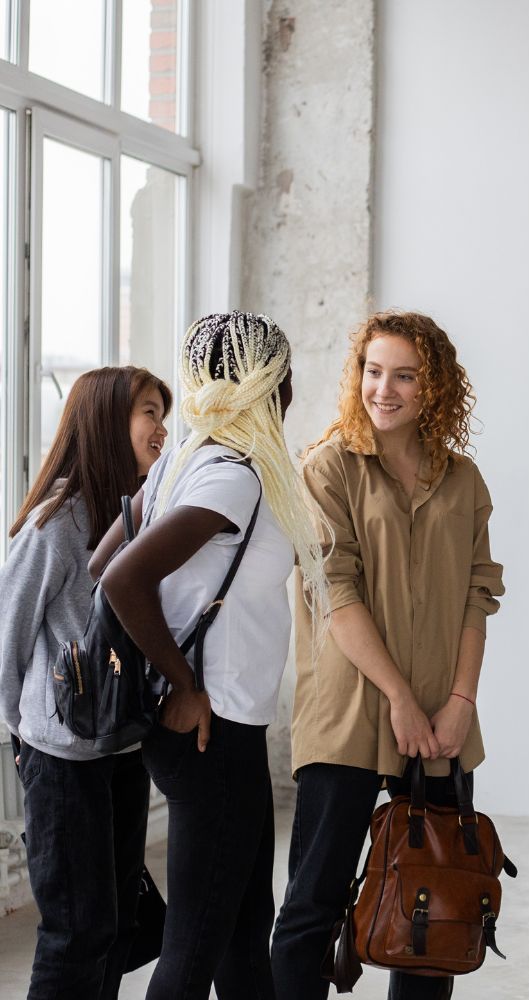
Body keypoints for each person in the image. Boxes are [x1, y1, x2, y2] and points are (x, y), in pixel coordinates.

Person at [93, 312, 329, 1000]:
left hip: (224, 730)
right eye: (285, 376)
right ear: (267, 384)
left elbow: (104, 561)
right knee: (195, 948)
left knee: (241, 939)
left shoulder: (186, 461)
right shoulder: (234, 477)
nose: (292, 390)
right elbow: (120, 578)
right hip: (211, 728)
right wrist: (184, 683)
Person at [270, 310, 504, 1000]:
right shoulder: (328, 467)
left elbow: (478, 595)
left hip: (440, 719)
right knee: (314, 903)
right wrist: (398, 697)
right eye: (373, 372)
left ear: (435, 387)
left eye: (404, 376)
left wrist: (460, 702)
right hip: (349, 711)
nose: (384, 389)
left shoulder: (464, 480)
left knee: (436, 902)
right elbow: (334, 591)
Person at [0, 366, 171, 999]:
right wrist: (26, 736)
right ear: (106, 422)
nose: (161, 427)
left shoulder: (142, 514)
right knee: (78, 931)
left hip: (124, 745)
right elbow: (7, 638)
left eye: (162, 413)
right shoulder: (57, 523)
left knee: (118, 924)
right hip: (63, 758)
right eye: (148, 412)